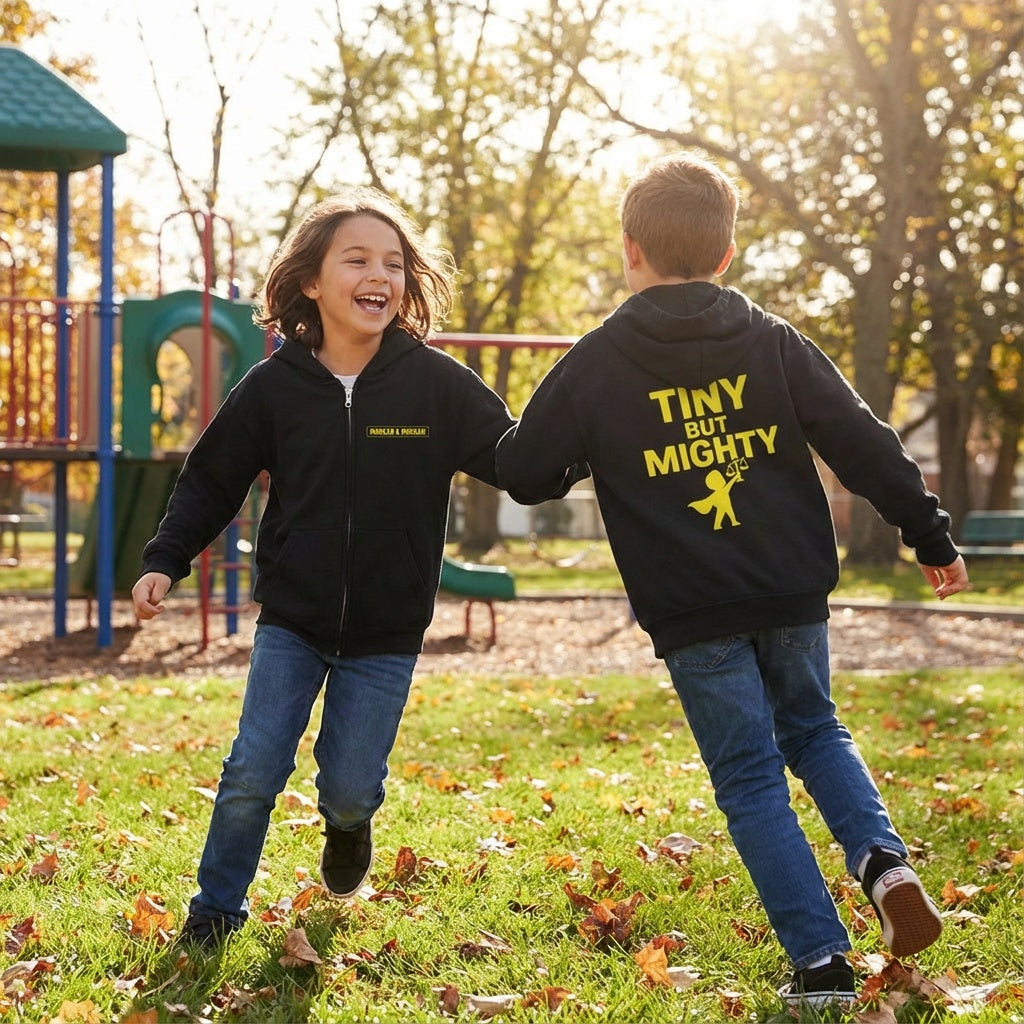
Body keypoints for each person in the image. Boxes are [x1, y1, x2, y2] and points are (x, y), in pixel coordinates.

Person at [495, 152, 970, 1010]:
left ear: (629, 249)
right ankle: (883, 862)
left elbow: (525, 471)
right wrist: (926, 531)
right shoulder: (771, 339)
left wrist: (580, 448)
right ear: (725, 255)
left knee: (749, 776)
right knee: (817, 731)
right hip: (790, 588)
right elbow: (862, 440)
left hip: (694, 608)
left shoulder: (598, 360)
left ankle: (822, 963)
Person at [132, 187, 549, 948]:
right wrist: (166, 557)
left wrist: (576, 437)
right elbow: (211, 479)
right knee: (253, 771)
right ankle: (216, 909)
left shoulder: (435, 384)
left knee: (351, 783)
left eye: (392, 262)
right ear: (312, 283)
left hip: (387, 631)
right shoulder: (273, 388)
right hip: (293, 618)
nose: (378, 274)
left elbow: (514, 460)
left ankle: (348, 826)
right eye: (356, 259)